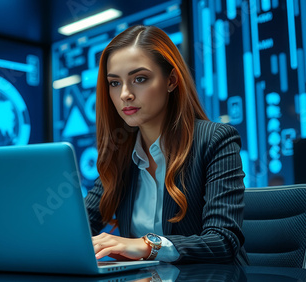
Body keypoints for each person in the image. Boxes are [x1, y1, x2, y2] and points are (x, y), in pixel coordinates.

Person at [84, 25, 249, 265]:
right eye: (115, 83)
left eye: (139, 79)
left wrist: (146, 245)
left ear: (171, 80)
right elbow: (80, 228)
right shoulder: (120, 153)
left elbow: (223, 240)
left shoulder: (215, 140)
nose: (125, 94)